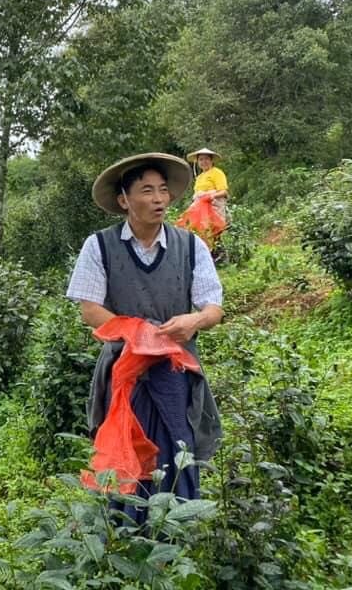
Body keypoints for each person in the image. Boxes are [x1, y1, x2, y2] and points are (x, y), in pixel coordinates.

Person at [66, 153, 223, 519]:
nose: (158, 199)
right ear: (124, 200)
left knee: (177, 446)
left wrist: (194, 321)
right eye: (147, 190)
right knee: (128, 448)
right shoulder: (100, 246)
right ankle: (126, 530)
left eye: (163, 190)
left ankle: (176, 529)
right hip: (125, 370)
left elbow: (213, 309)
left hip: (176, 371)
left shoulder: (190, 246)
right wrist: (139, 335)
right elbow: (90, 309)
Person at [187, 147, 229, 221]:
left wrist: (211, 196)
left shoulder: (217, 172)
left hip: (214, 208)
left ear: (211, 160)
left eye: (206, 159)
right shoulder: (199, 177)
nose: (204, 161)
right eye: (201, 159)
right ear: (197, 162)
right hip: (200, 209)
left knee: (211, 225)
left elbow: (224, 192)